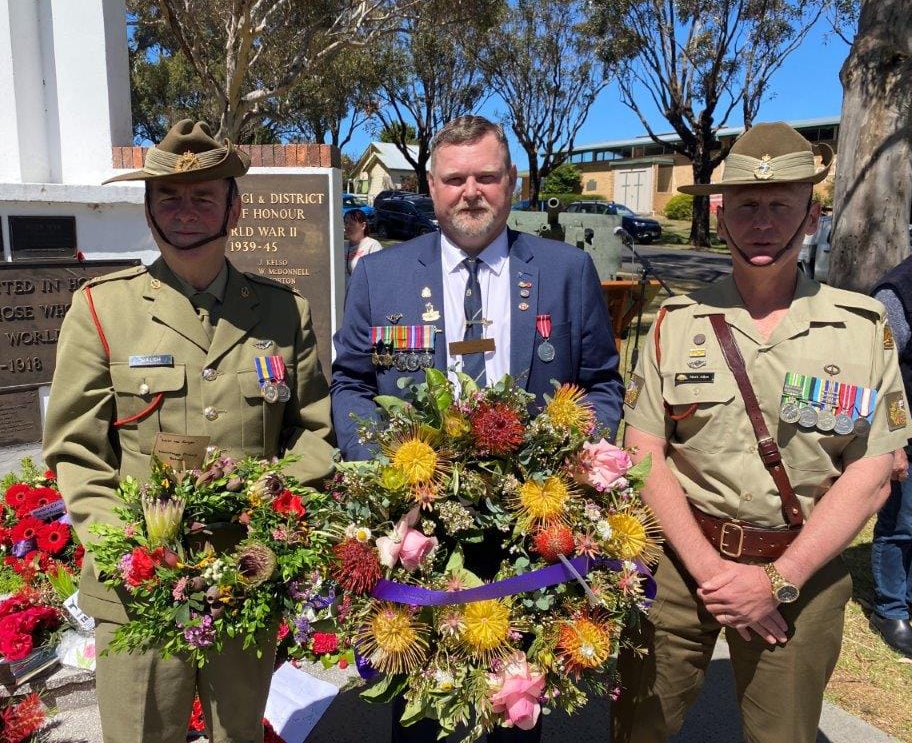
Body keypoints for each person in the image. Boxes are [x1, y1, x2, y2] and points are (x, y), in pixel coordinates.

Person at [611, 122, 909, 743]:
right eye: (747, 206)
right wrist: (713, 574)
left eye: (781, 205)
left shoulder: (861, 326)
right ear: (721, 218)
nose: (763, 222)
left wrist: (778, 579)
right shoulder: (676, 321)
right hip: (679, 567)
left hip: (804, 572)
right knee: (640, 725)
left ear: (812, 215)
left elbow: (874, 469)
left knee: (784, 734)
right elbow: (643, 453)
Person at [331, 115, 623, 743]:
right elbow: (352, 382)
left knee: (516, 701)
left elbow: (601, 382)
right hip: (416, 523)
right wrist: (379, 470)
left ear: (510, 182)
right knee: (422, 713)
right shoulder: (380, 277)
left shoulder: (565, 271)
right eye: (454, 178)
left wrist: (573, 465)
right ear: (430, 187)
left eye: (486, 176)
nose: (471, 192)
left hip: (536, 524)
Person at [43, 119, 335, 743]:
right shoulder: (102, 308)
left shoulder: (284, 312)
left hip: (244, 577)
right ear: (149, 209)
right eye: (169, 197)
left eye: (204, 195)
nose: (185, 210)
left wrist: (273, 513)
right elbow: (75, 447)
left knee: (239, 734)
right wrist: (125, 550)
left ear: (235, 206)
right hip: (137, 585)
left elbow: (314, 432)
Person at [869, 262, 912, 657]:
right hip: (908, 434)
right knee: (901, 526)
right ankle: (890, 608)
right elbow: (878, 374)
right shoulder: (898, 291)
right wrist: (893, 443)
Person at [344, 208, 382, 275]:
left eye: (351, 224)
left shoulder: (373, 245)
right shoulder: (341, 246)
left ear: (363, 226)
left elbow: (377, 273)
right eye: (346, 223)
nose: (347, 227)